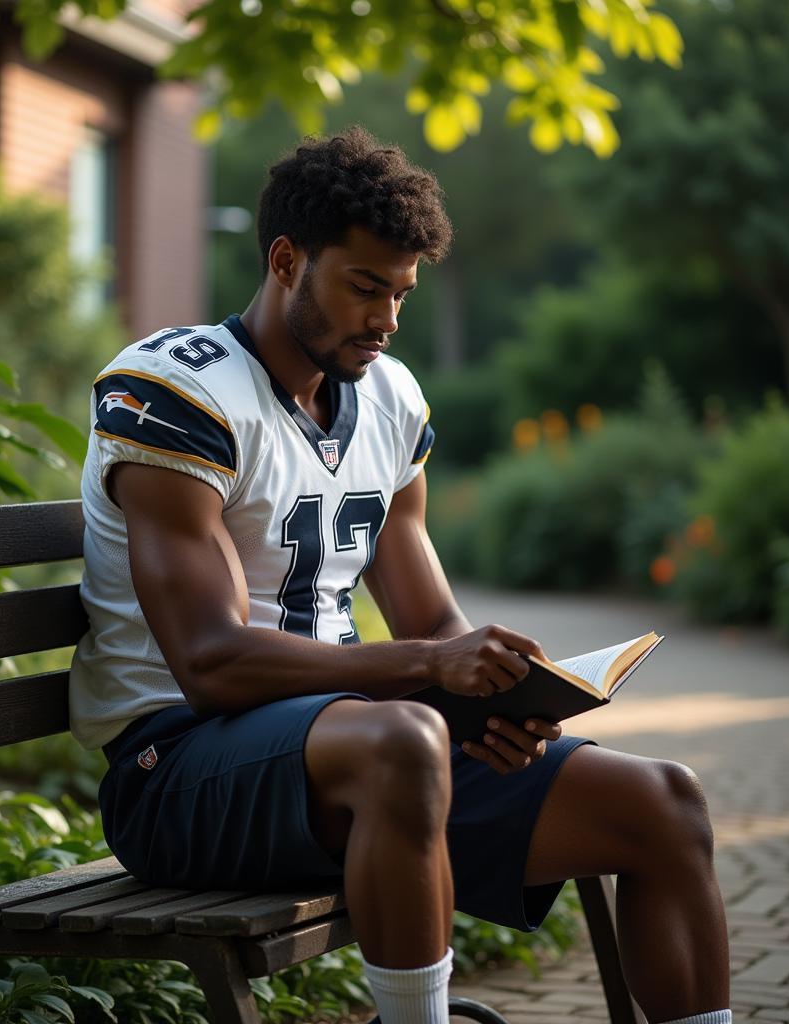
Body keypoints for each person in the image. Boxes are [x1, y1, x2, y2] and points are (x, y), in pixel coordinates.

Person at [69, 126, 731, 1024]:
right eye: (365, 287)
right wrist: (427, 673)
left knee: (663, 803)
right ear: (286, 259)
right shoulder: (178, 390)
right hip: (177, 767)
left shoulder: (387, 396)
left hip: (363, 754)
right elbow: (212, 662)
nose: (385, 319)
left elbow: (431, 620)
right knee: (404, 739)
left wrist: (502, 700)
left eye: (402, 295)